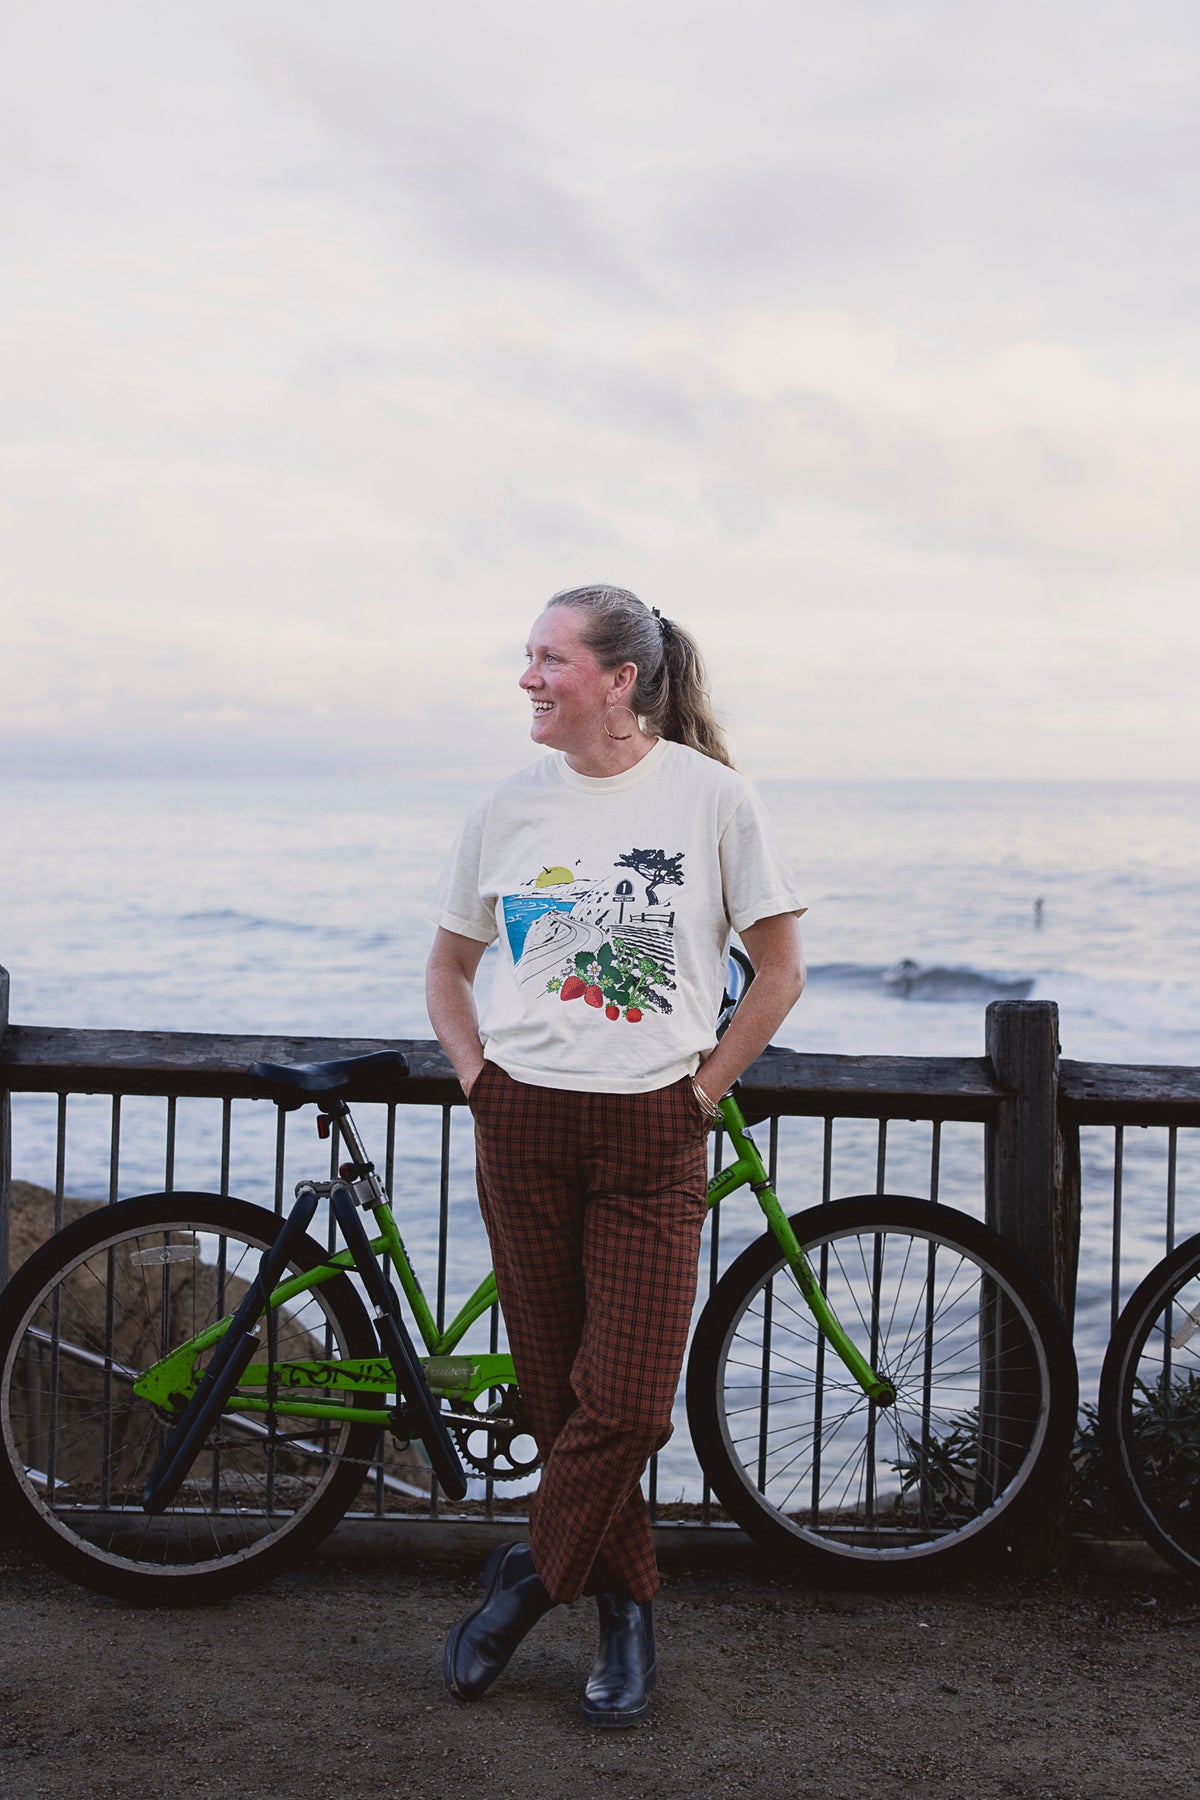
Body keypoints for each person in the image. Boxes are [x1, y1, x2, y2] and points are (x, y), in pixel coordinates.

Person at [425, 584, 805, 1727]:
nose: (528, 678)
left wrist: (702, 1093)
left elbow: (780, 972)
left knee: (628, 1404)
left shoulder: (712, 799)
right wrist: (477, 1079)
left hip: (652, 1128)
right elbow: (447, 968)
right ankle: (625, 1615)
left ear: (620, 679)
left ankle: (523, 1586)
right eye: (528, 657)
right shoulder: (507, 807)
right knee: (559, 1403)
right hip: (524, 1127)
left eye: (551, 659)